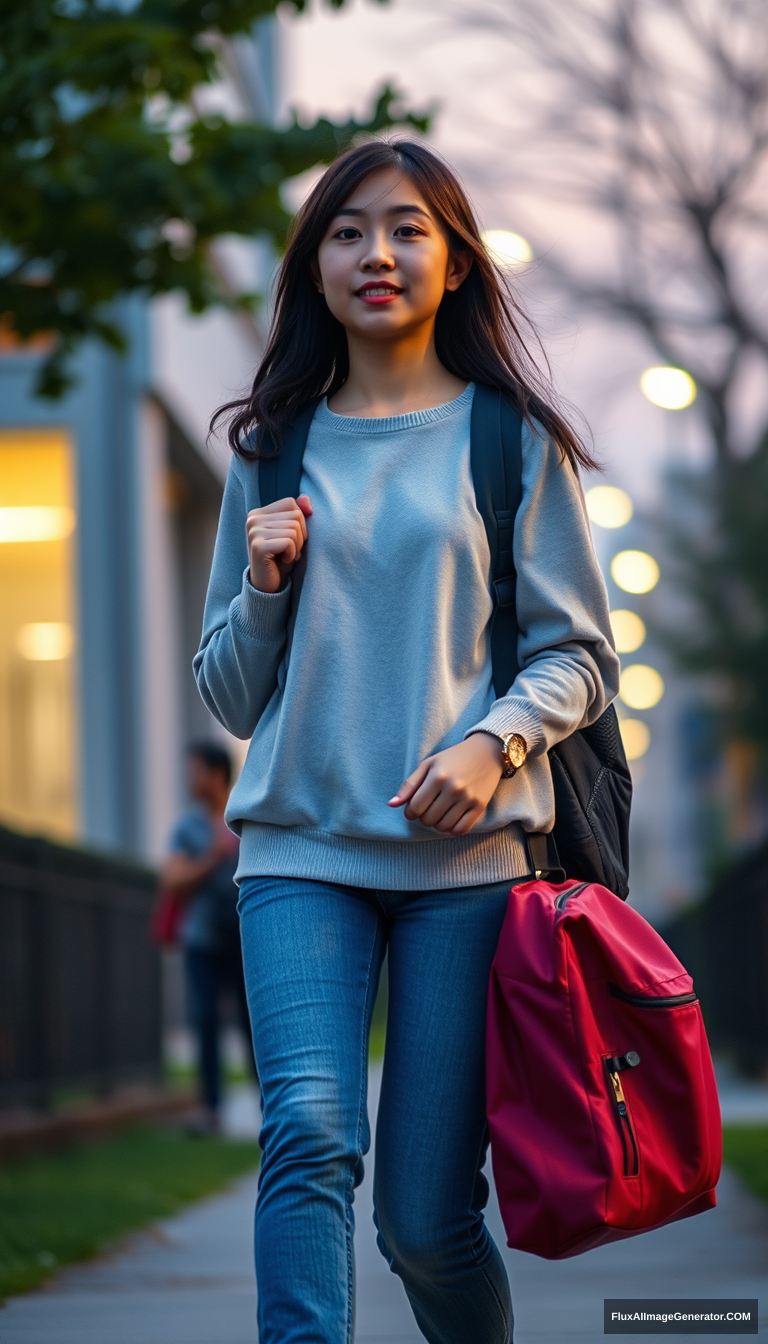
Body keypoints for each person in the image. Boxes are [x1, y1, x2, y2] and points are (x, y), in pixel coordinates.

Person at [195, 139, 620, 1343]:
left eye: (407, 228)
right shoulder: (267, 449)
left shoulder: (512, 440)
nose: (376, 253)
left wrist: (493, 743)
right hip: (298, 857)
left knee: (426, 1219)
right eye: (347, 230)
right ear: (315, 265)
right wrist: (268, 582)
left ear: (454, 261)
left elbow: (581, 657)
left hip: (469, 875)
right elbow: (228, 695)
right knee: (312, 1133)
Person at [162, 742, 256, 1135]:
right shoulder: (188, 828)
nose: (190, 778)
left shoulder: (246, 812)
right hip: (202, 939)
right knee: (205, 1019)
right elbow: (172, 880)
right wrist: (212, 857)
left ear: (218, 773)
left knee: (254, 1023)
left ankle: (271, 1106)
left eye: (196, 770)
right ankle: (210, 1109)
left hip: (247, 936)